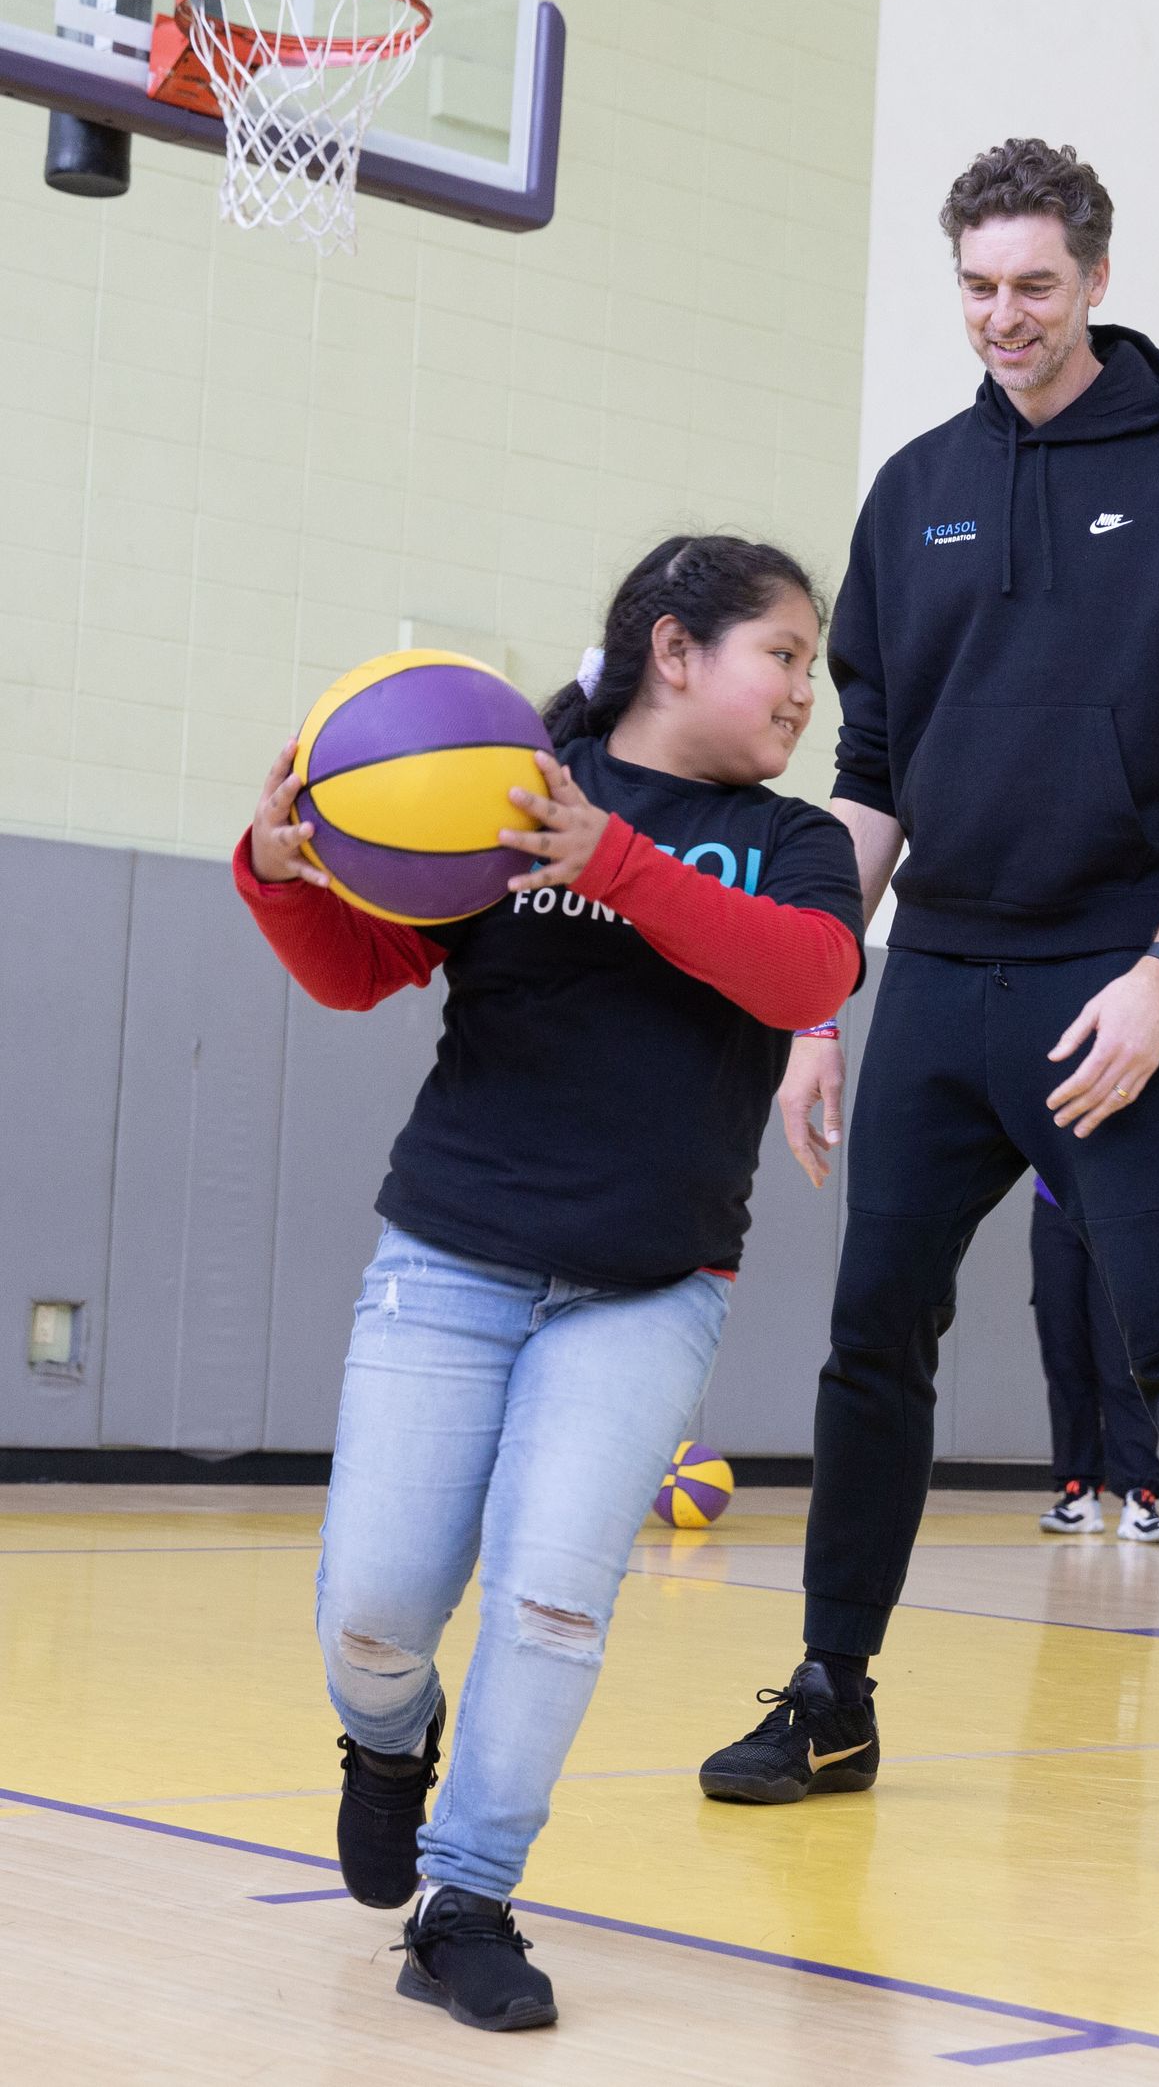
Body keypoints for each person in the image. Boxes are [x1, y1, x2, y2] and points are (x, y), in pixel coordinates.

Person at [697, 140, 1159, 1878]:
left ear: (1092, 277)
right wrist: (811, 993)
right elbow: (871, 777)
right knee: (870, 1343)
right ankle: (833, 1688)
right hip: (936, 977)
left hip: (1111, 984)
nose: (1003, 317)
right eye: (978, 288)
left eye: (1034, 287)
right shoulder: (917, 485)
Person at [236, 536, 864, 2031]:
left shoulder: (795, 843)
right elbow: (358, 969)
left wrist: (623, 865)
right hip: (449, 1254)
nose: (805, 687)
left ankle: (469, 1902)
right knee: (376, 1607)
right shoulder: (504, 788)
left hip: (649, 1288)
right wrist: (275, 869)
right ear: (674, 650)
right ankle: (390, 1741)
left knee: (548, 1604)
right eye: (782, 651)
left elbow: (808, 983)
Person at [1031, 1175, 1159, 1543]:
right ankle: (1078, 1492)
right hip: (1054, 1205)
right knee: (1064, 1357)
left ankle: (1140, 1496)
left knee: (1121, 1362)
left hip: (1120, 1206)